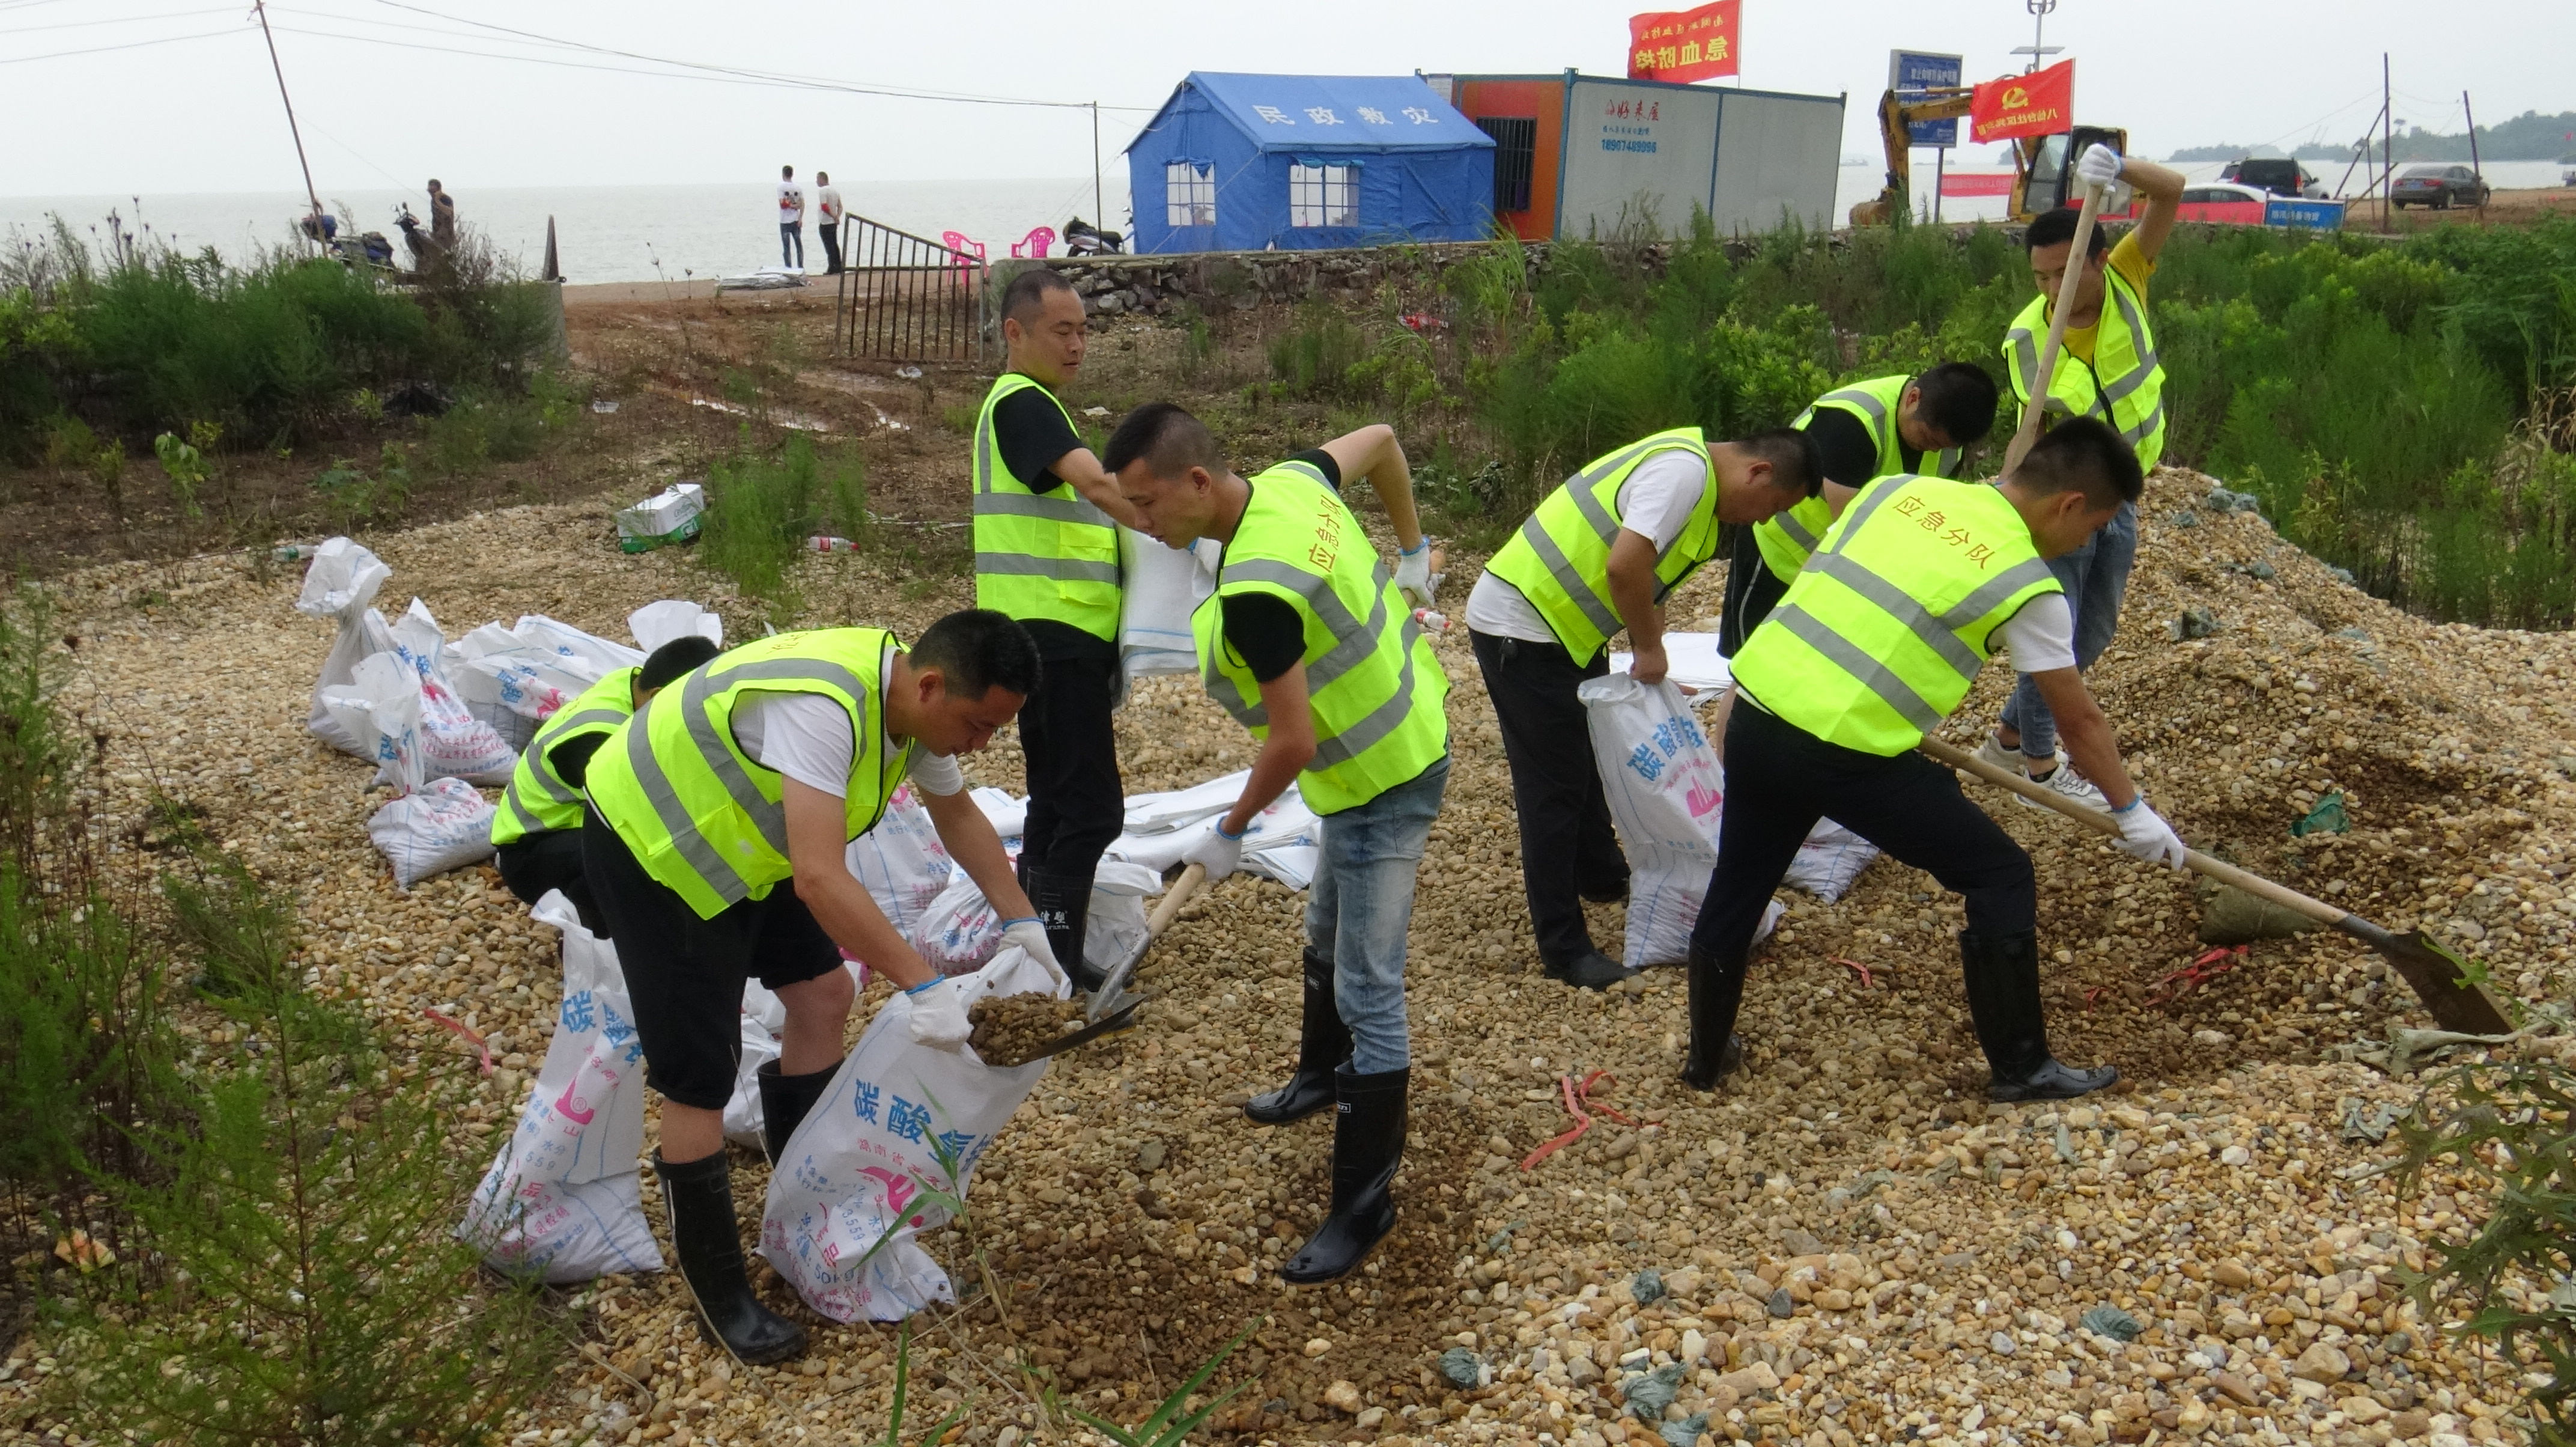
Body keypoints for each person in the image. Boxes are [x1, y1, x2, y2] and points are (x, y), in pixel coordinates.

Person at [580, 611, 1062, 1365]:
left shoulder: (910, 708)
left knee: (823, 993)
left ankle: (809, 1210)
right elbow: (819, 875)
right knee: (697, 1078)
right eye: (978, 724)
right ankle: (720, 1296)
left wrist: (1025, 923)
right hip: (656, 845)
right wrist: (922, 983)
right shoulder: (824, 708)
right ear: (932, 684)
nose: (981, 744)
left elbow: (959, 813)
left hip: (745, 842)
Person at [1678, 417, 2186, 1103]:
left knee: (1738, 884)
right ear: (2069, 504)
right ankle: (2022, 1066)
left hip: (1758, 713)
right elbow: (2077, 716)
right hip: (1843, 750)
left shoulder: (1894, 493)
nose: (2086, 542)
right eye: (2094, 528)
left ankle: (1705, 1060)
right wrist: (2130, 809)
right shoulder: (2026, 584)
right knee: (2000, 873)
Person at [1105, 404, 1445, 1285]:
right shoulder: (1292, 482)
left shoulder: (1258, 590)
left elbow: (1290, 742)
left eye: (1148, 506)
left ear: (1197, 483)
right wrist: (1412, 551)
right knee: (1325, 931)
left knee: (1372, 987)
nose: (1141, 525)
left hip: (1383, 775)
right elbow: (1381, 440)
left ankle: (1362, 1208)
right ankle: (1319, 1078)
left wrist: (1225, 834)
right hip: (1392, 732)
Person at [1465, 425, 1824, 990]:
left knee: (1584, 755)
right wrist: (1649, 649)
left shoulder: (1698, 488)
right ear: (1758, 472)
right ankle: (1563, 947)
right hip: (1522, 626)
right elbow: (1624, 566)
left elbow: (1648, 581)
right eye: (1771, 507)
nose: (1760, 521)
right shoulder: (1683, 473)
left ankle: (1602, 875)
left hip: (1563, 628)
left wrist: (1652, 670)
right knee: (1552, 788)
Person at [1981, 144, 2184, 806]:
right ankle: (2039, 769)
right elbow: (2029, 432)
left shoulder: (2127, 277)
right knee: (2056, 636)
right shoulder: (2025, 335)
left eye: (2060, 272)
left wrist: (2118, 168)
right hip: (2062, 507)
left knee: (2091, 633)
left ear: (2098, 258)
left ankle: (2008, 737)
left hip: (2120, 498)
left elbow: (2170, 192)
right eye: (2037, 277)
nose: (2048, 289)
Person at [972, 269, 1149, 987]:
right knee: (1092, 808)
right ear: (1015, 333)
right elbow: (1098, 483)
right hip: (1056, 635)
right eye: (1061, 331)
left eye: (1084, 330)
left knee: (1052, 798)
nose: (1078, 345)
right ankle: (1061, 960)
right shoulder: (1022, 402)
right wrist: (1175, 527)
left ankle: (1037, 952)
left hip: (1038, 636)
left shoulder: (1025, 406)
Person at [1708, 366, 1999, 760]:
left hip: (1838, 573)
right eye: (1928, 439)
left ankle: (1801, 774)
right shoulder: (1851, 422)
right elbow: (1857, 525)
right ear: (1913, 398)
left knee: (1816, 677)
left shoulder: (1947, 440)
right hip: (1779, 552)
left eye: (1943, 446)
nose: (1934, 451)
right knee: (1751, 676)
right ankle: (1730, 778)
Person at [490, 635, 723, 933]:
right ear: (658, 695)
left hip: (567, 831)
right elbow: (646, 812)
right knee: (639, 860)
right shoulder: (599, 738)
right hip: (532, 851)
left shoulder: (631, 684)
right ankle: (602, 934)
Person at [776, 165, 806, 271]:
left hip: (785, 221)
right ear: (792, 174)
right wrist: (800, 217)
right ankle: (800, 267)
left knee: (787, 247)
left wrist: (792, 206)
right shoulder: (798, 188)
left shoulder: (781, 187)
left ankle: (788, 268)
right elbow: (802, 204)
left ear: (783, 174)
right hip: (796, 219)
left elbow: (783, 204)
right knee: (798, 245)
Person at [816, 171, 845, 274]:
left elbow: (824, 206)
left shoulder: (823, 191)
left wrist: (833, 216)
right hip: (833, 222)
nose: (817, 181)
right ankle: (838, 265)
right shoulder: (835, 191)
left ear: (822, 179)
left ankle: (832, 267)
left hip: (825, 222)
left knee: (829, 246)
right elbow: (840, 206)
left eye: (818, 179)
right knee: (834, 244)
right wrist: (837, 216)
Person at [427, 179, 456, 249]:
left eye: (432, 190)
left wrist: (438, 201)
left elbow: (449, 212)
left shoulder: (445, 199)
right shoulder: (433, 200)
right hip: (437, 233)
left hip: (446, 235)